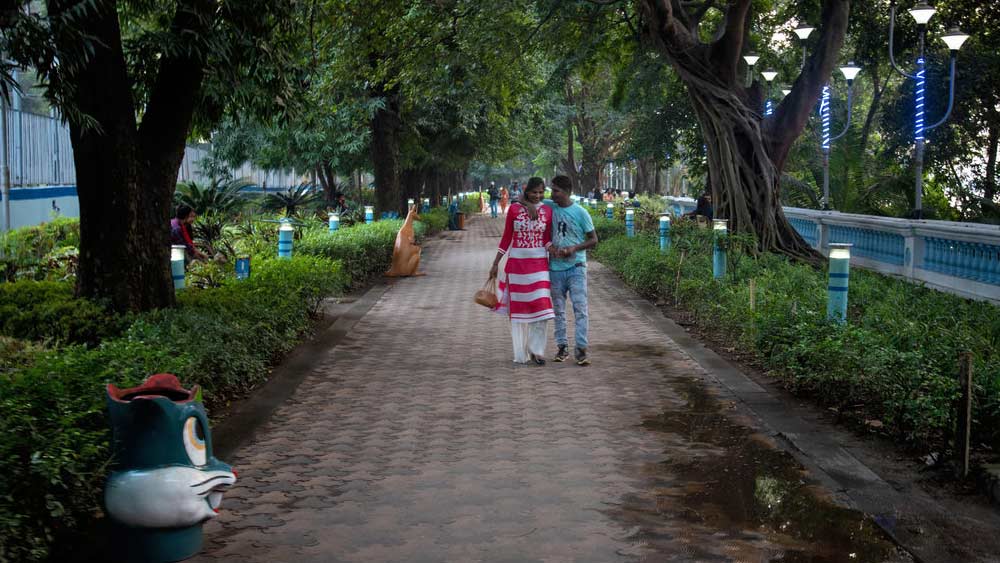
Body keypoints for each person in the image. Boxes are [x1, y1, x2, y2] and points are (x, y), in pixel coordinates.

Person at [489, 177, 554, 365]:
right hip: (517, 267)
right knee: (518, 312)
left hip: (540, 266)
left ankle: (537, 351)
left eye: (541, 192)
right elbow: (507, 237)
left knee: (542, 307)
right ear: (527, 192)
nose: (538, 195)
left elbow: (547, 239)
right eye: (534, 192)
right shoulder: (515, 210)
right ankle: (521, 353)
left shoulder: (548, 211)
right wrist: (495, 263)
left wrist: (558, 251)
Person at [545, 175, 598, 366]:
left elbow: (593, 239)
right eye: (552, 190)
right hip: (555, 268)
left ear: (567, 192)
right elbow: (522, 198)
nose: (553, 194)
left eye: (556, 190)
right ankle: (562, 347)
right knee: (558, 310)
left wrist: (574, 248)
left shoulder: (581, 212)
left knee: (580, 309)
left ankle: (581, 349)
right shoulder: (549, 207)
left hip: (576, 267)